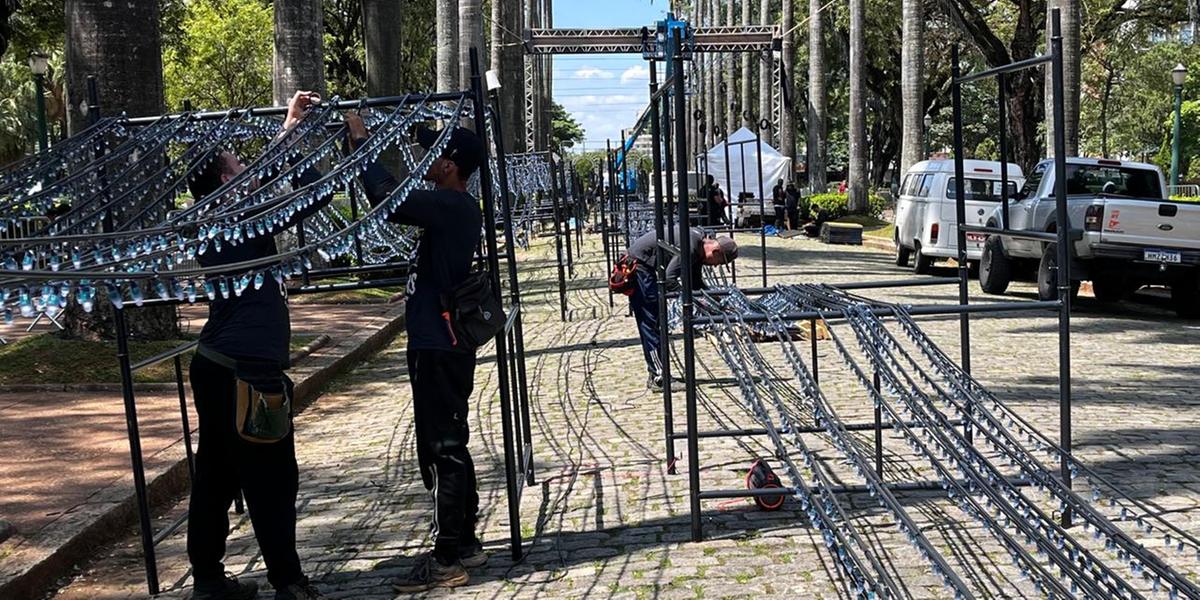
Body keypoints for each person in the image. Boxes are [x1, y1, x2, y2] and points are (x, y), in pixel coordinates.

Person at [185, 91, 331, 600]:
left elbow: (264, 179)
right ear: (227, 181)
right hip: (247, 372)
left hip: (214, 364)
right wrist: (305, 141)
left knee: (217, 473)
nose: (244, 165)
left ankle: (206, 578)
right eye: (236, 163)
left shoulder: (210, 219)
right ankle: (288, 582)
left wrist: (290, 126)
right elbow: (314, 197)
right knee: (271, 478)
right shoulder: (238, 220)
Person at [345, 113, 487, 593]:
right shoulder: (454, 206)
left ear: (449, 166)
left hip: (438, 345)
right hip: (440, 341)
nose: (427, 162)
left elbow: (385, 197)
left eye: (434, 155)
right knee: (450, 442)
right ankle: (463, 538)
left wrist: (362, 140)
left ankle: (447, 556)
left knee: (442, 448)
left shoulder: (449, 205)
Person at [625, 227, 739, 389]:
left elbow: (695, 283)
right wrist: (691, 301)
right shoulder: (691, 247)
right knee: (651, 323)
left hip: (646, 266)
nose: (714, 267)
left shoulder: (697, 246)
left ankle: (657, 373)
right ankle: (659, 377)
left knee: (655, 322)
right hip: (640, 268)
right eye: (719, 262)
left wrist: (716, 303)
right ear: (715, 251)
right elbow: (670, 279)